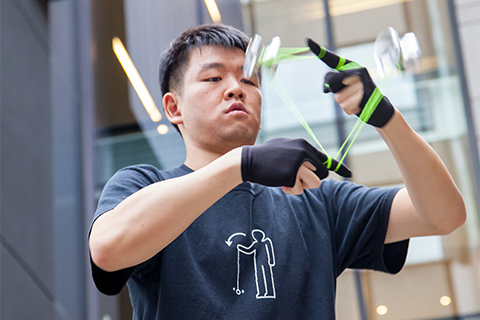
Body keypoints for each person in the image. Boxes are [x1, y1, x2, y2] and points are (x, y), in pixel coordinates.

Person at [88, 24, 466, 319]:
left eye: (249, 79)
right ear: (174, 108)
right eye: (214, 78)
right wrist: (241, 165)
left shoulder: (317, 201)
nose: (236, 88)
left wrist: (385, 118)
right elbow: (107, 248)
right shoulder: (144, 185)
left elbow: (444, 215)